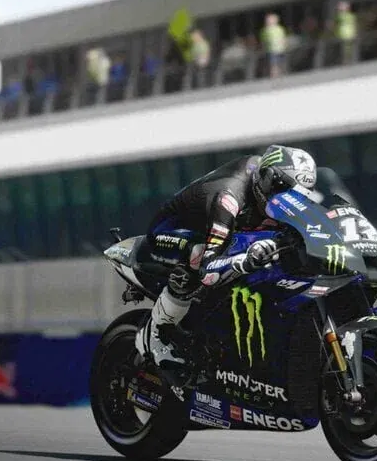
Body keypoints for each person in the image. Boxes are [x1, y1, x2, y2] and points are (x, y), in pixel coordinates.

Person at [135, 145, 318, 388]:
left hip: (223, 231)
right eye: (279, 190)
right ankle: (155, 333)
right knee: (197, 255)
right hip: (171, 232)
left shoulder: (271, 189)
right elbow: (209, 269)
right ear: (265, 178)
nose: (285, 200)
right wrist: (243, 261)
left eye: (296, 195)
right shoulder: (228, 198)